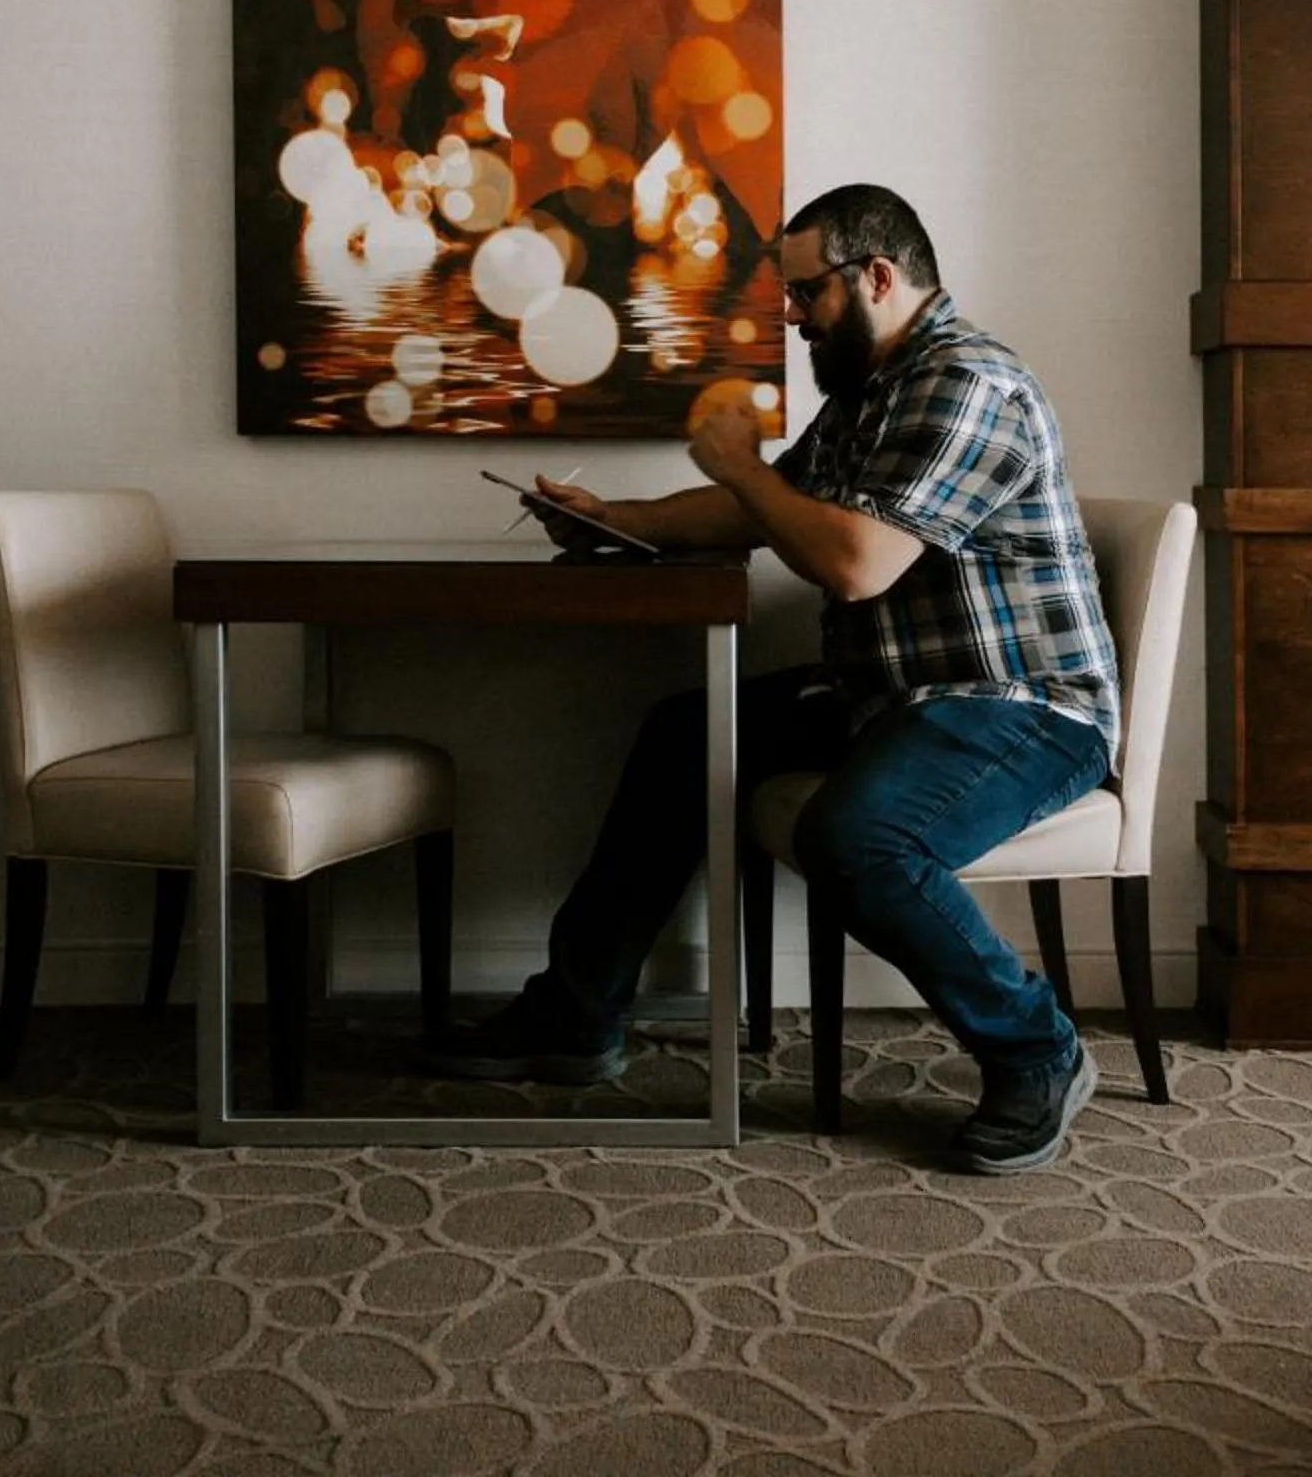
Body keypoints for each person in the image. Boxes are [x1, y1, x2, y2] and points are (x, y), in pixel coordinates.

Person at [430, 182, 1121, 1175]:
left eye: (805, 293)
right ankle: (574, 1016)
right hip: (892, 693)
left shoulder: (970, 383)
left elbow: (854, 560)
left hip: (1021, 704)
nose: (790, 315)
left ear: (879, 276)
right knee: (685, 731)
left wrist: (744, 466)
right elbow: (760, 511)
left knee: (859, 837)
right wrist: (616, 517)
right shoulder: (870, 393)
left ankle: (1036, 1047)